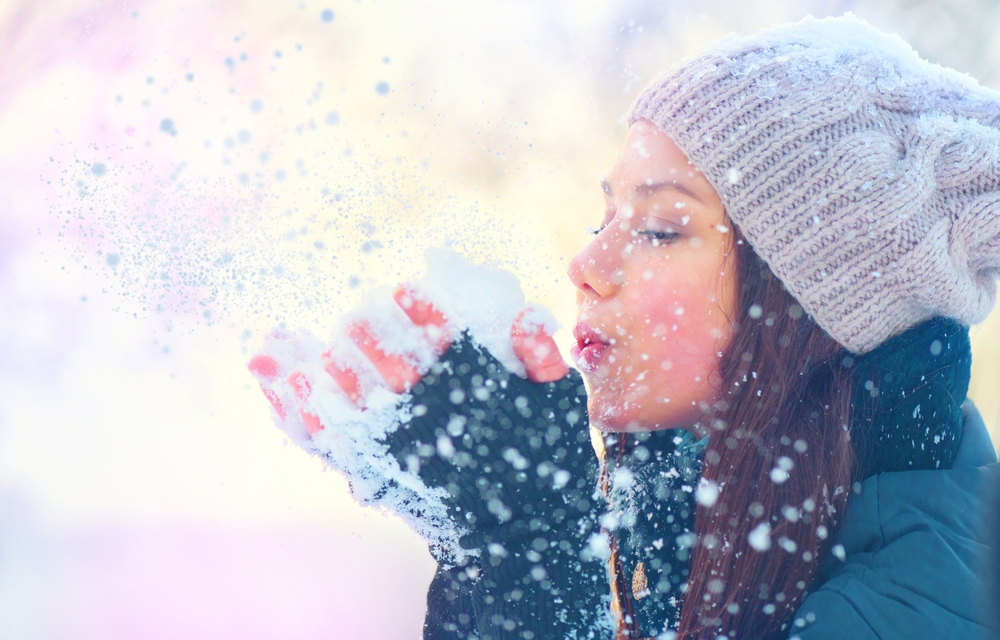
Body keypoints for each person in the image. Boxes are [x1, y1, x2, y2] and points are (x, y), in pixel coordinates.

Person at [248, 15, 1000, 640]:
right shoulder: (737, 517)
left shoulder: (910, 614)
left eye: (662, 229)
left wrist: (528, 550)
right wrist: (473, 538)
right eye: (606, 217)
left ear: (814, 308)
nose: (587, 263)